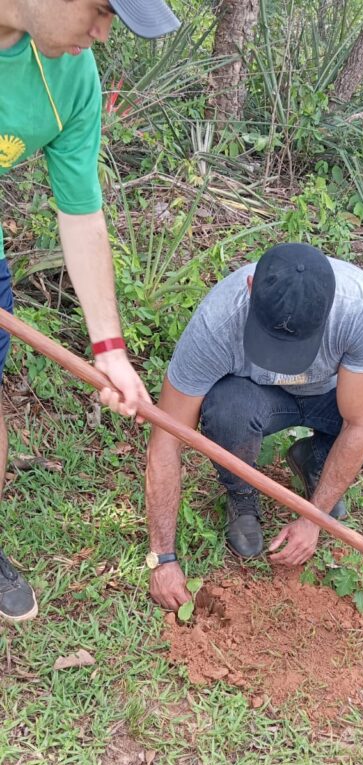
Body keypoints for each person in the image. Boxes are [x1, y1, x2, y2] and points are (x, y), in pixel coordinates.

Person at [145, 241, 363, 611]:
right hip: (258, 398)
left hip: (334, 395)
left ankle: (315, 460)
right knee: (228, 410)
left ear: (330, 306)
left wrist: (314, 518)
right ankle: (242, 497)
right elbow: (166, 439)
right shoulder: (218, 322)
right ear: (251, 287)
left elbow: (359, 424)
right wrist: (162, 557)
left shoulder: (362, 307)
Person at [0, 0, 180, 621]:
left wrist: (111, 350)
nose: (101, 35)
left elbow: (80, 212)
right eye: (101, 10)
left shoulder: (71, 77)